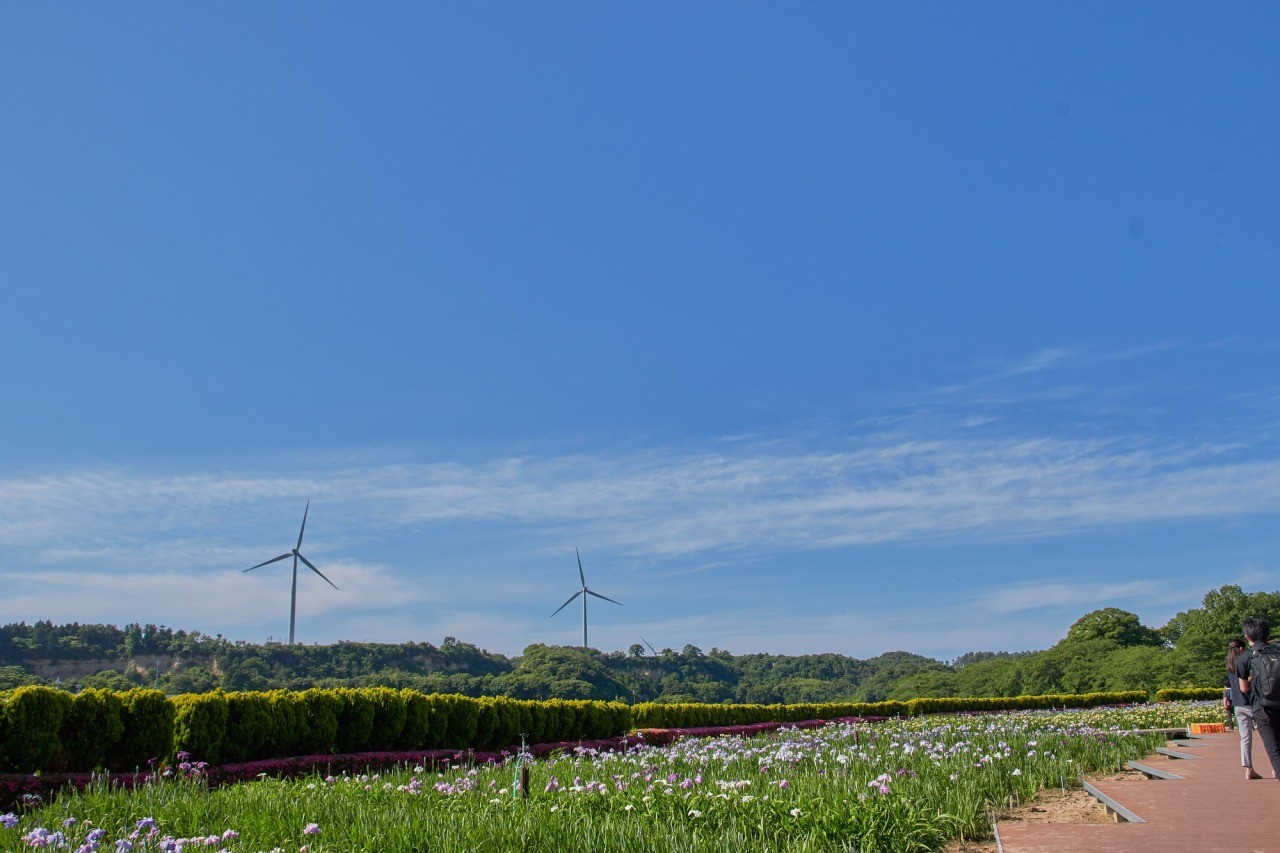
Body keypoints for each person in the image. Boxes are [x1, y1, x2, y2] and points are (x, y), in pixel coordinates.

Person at [1234, 616, 1280, 781]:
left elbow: (1244, 688)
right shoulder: (1278, 650)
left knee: (1275, 750)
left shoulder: (1245, 657)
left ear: (1247, 636)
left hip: (1263, 707)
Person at [1226, 637, 1261, 779]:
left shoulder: (1229, 666)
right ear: (1241, 649)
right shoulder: (1245, 662)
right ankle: (1275, 767)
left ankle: (1248, 769)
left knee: (1245, 738)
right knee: (1269, 736)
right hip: (1251, 703)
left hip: (1238, 706)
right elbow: (1245, 687)